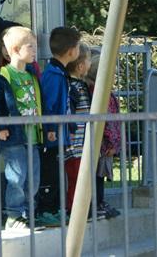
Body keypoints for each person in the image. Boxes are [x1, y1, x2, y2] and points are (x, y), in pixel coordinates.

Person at [0, 26, 43, 230]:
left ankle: (28, 213)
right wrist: (0, 126)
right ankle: (14, 215)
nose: (35, 50)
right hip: (13, 136)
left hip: (33, 136)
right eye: (31, 46)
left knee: (33, 178)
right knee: (16, 177)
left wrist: (47, 128)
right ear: (16, 49)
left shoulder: (31, 75)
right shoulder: (1, 76)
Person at [38, 27, 81, 226]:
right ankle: (46, 210)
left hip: (60, 134)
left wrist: (69, 129)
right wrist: (51, 130)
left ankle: (55, 209)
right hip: (53, 136)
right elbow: (50, 105)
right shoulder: (54, 75)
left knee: (57, 173)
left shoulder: (59, 73)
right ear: (71, 51)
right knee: (50, 173)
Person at [85, 53, 121, 219]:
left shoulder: (103, 92)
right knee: (98, 174)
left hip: (104, 142)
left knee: (99, 174)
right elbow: (106, 120)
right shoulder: (99, 93)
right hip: (102, 143)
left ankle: (99, 202)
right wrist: (112, 142)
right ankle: (96, 203)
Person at [63, 42, 93, 215]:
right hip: (75, 145)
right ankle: (74, 210)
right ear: (80, 66)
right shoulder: (73, 87)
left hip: (83, 143)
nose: (90, 63)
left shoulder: (81, 85)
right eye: (89, 60)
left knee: (81, 178)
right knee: (76, 178)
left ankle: (82, 209)